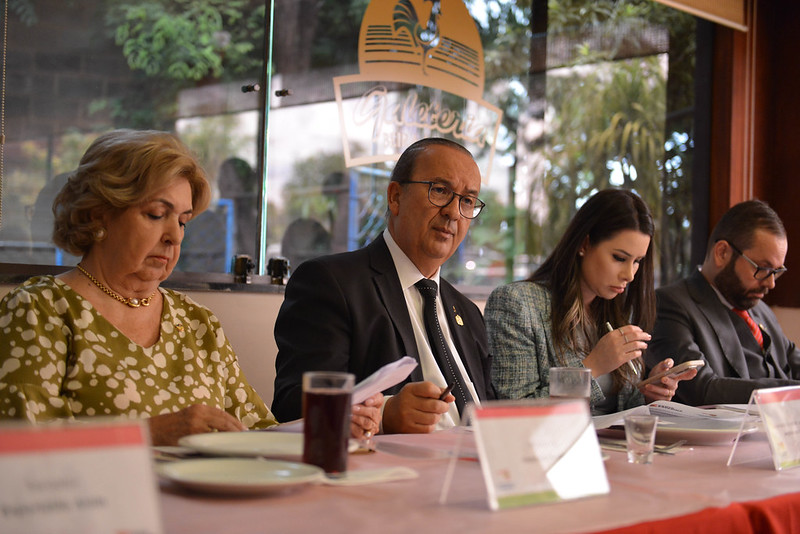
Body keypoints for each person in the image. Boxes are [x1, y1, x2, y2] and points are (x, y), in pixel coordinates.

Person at [0, 129, 381, 445]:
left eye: (182, 221)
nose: (173, 237)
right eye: (155, 214)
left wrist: (322, 428)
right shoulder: (40, 310)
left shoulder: (196, 321)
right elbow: (22, 448)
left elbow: (256, 433)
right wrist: (151, 434)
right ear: (100, 212)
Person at [272, 137, 495, 433]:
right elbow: (290, 406)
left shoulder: (467, 313)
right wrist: (385, 414)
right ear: (395, 197)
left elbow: (492, 409)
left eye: (467, 200)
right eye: (440, 191)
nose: (454, 212)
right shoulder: (330, 283)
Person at [485, 189, 697, 415]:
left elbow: (619, 410)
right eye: (619, 258)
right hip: (552, 449)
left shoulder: (618, 312)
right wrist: (593, 366)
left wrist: (647, 393)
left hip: (613, 447)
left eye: (637, 261)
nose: (630, 275)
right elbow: (513, 412)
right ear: (584, 244)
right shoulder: (517, 304)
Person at [647, 199, 800, 405]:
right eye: (762, 269)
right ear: (722, 253)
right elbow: (703, 389)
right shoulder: (669, 304)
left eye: (777, 271)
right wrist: (790, 392)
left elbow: (793, 359)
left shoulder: (761, 310)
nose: (771, 283)